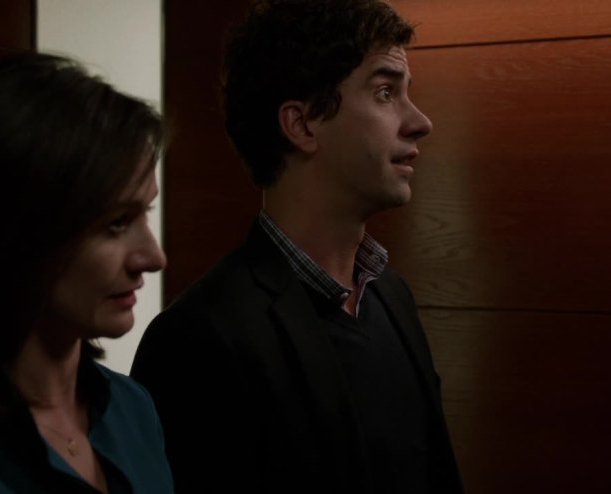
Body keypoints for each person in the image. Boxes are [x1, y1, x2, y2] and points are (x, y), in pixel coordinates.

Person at [130, 0, 462, 493]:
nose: (420, 121)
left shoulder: (392, 298)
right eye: (385, 92)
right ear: (302, 125)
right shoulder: (198, 338)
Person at [0, 53, 174, 493]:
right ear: (15, 232)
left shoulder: (134, 411)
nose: (154, 257)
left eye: (146, 212)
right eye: (116, 223)